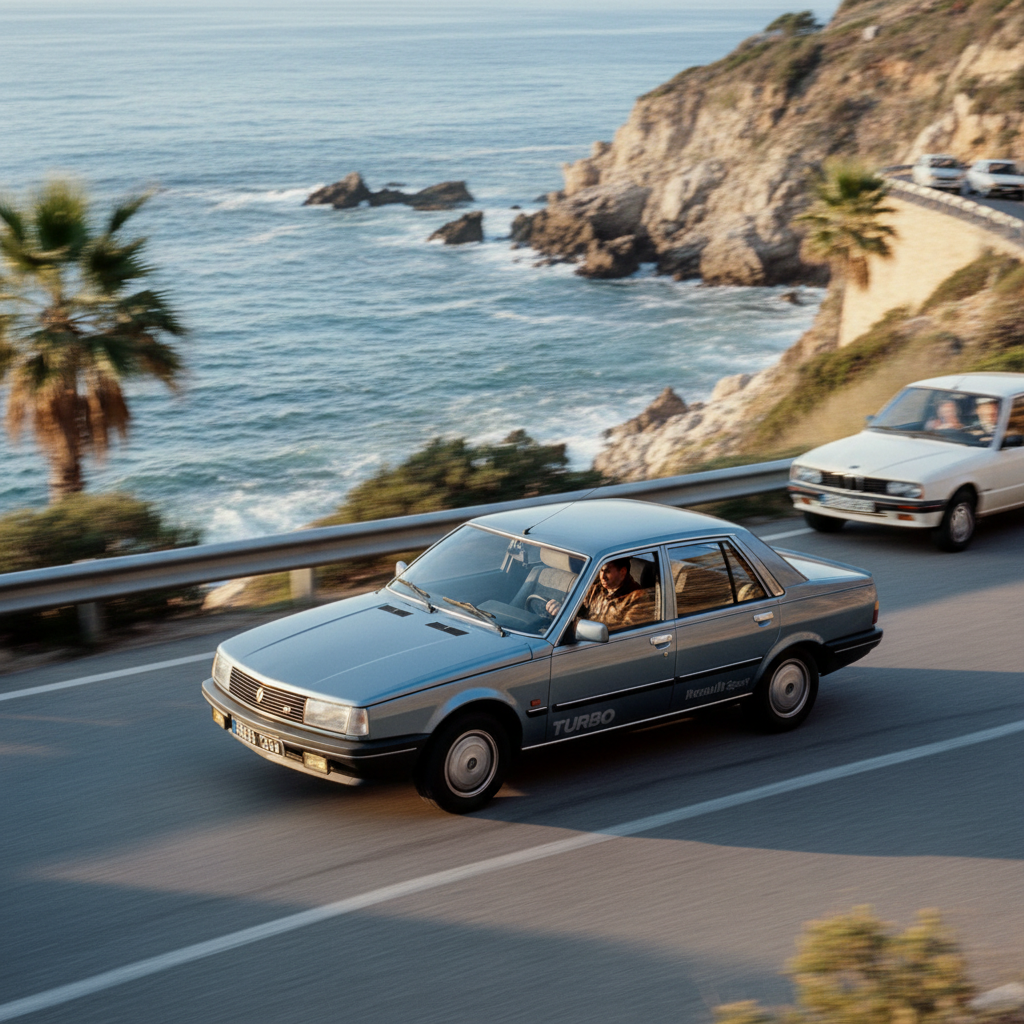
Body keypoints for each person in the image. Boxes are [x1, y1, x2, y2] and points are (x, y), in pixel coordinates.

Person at [545, 556, 655, 633]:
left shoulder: (638, 599)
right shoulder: (595, 589)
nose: (602, 576)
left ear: (622, 572)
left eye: (607, 571)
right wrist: (560, 610)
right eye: (601, 570)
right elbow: (576, 607)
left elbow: (622, 634)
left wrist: (572, 623)